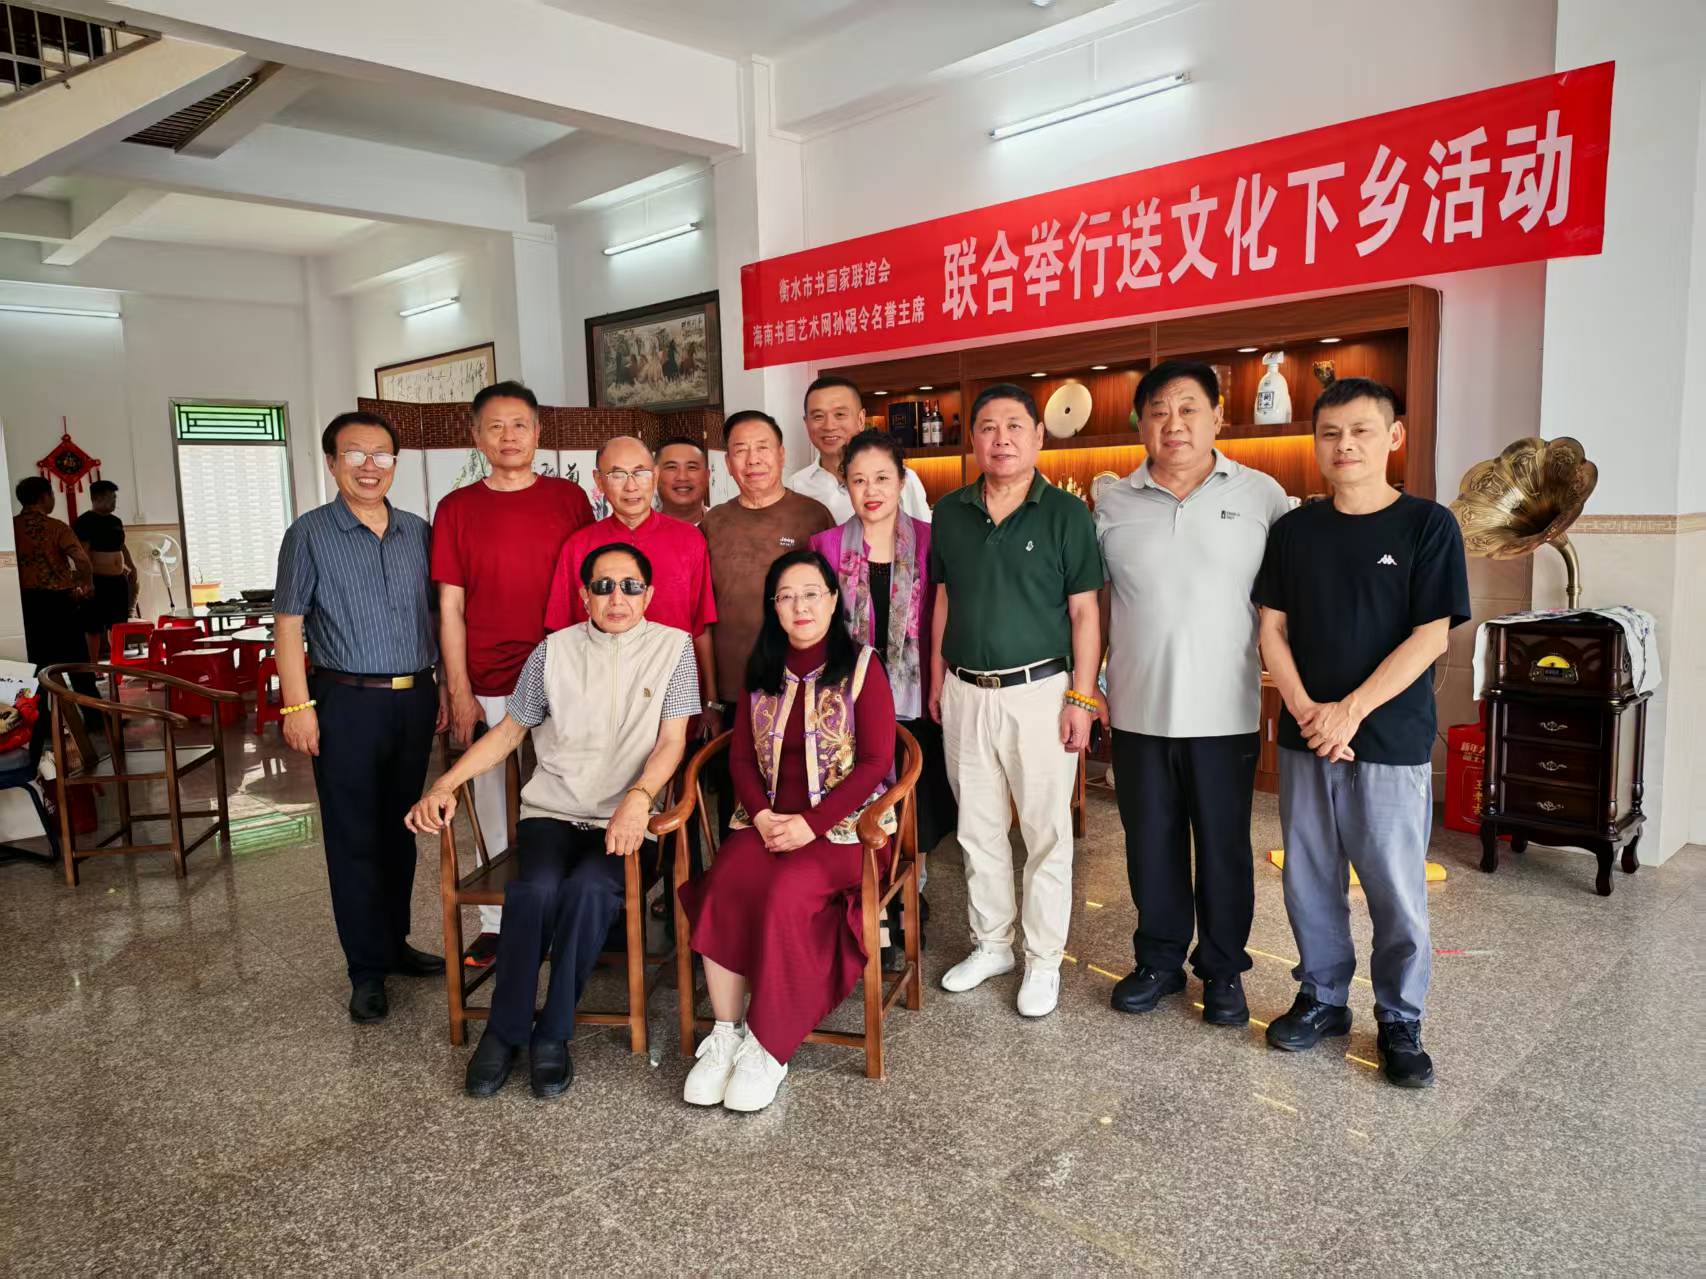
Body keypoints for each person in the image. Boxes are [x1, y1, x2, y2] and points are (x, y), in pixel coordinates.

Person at [407, 543, 696, 1099]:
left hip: (626, 819)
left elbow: (672, 741)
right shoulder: (553, 651)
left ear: (649, 595)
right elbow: (509, 733)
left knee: (589, 889)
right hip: (553, 814)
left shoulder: (674, 648)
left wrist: (640, 798)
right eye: (604, 586)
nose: (617, 597)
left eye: (631, 586)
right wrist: (445, 783)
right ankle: (504, 1030)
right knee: (534, 889)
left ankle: (553, 1033)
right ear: (584, 595)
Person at [1255, 377, 1469, 1089]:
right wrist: (1307, 710)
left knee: (1395, 888)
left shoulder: (1428, 526)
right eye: (1330, 433)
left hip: (1390, 739)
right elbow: (1272, 629)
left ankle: (1400, 1017)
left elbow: (1430, 635)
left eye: (1360, 431)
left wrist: (1349, 711)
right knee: (1309, 878)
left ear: (1393, 437)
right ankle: (1322, 996)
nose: (1343, 445)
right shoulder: (1294, 531)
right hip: (1306, 737)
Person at [1095, 361, 1293, 1029]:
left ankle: (1224, 968)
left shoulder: (1264, 496)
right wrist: (1087, 690)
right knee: (1149, 844)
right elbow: (1098, 605)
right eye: (1157, 411)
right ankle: (1158, 961)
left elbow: (1283, 603)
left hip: (1226, 711)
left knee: (1224, 846)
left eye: (1187, 409)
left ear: (1218, 417)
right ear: (1141, 424)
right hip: (1137, 709)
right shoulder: (1111, 502)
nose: (1172, 423)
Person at [677, 548, 896, 1113]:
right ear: (773, 607)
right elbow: (741, 759)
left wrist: (812, 825)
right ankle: (725, 1033)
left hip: (846, 829)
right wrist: (763, 815)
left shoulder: (863, 667)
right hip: (770, 821)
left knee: (785, 891)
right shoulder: (762, 669)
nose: (800, 606)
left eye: (811, 594)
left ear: (833, 600)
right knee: (724, 882)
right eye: (787, 596)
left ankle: (768, 1044)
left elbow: (876, 762)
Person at [928, 383, 1102, 1019]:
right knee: (976, 829)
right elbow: (943, 599)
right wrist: (937, 677)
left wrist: (1082, 697)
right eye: (988, 427)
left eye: (1014, 426)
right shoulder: (950, 512)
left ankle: (1044, 960)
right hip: (964, 690)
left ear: (1038, 435)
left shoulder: (1066, 514)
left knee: (1046, 831)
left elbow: (1085, 613)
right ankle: (992, 944)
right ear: (972, 439)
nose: (1001, 439)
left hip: (1041, 691)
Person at [274, 411, 446, 1024]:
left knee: (402, 828)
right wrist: (298, 706)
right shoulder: (309, 534)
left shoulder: (418, 531)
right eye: (355, 454)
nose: (369, 466)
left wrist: (443, 685)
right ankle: (366, 970)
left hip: (414, 697)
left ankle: (395, 944)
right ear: (332, 463)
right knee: (353, 836)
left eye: (381, 455)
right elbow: (288, 623)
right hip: (345, 701)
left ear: (395, 463)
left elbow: (437, 615)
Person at [432, 380, 593, 969]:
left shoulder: (569, 499)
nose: (508, 436)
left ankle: (574, 912)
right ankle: (499, 925)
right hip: (491, 677)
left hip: (565, 671)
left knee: (572, 795)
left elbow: (589, 588)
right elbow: (450, 606)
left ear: (538, 432)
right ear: (476, 436)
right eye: (495, 426)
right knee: (493, 801)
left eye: (519, 424)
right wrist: (459, 689)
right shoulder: (456, 508)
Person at [811, 430, 954, 963]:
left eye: (882, 478)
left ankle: (907, 899)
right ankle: (873, 911)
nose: (871, 491)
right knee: (860, 804)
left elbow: (945, 617)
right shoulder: (825, 547)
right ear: (844, 484)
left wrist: (938, 680)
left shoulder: (931, 540)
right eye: (858, 480)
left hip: (916, 697)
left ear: (902, 480)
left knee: (916, 809)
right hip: (849, 705)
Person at [543, 435, 716, 727]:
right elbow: (562, 636)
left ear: (655, 476)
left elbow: (700, 627)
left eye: (640, 472)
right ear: (598, 481)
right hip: (600, 699)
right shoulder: (578, 546)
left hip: (674, 695)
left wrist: (711, 701)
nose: (631, 486)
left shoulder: (690, 540)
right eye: (617, 475)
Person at [700, 411, 834, 748]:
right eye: (740, 450)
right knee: (734, 776)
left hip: (800, 685)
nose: (753, 459)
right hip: (732, 691)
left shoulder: (813, 516)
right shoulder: (714, 523)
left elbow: (833, 603)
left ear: (781, 454)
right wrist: (712, 699)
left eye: (762, 447)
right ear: (727, 463)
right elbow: (704, 616)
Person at [12, 477, 100, 725]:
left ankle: (39, 722)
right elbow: (81, 560)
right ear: (44, 497)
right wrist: (87, 585)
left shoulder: (11, 528)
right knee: (77, 663)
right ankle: (94, 717)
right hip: (61, 603)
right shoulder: (56, 527)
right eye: (51, 495)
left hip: (26, 604)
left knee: (35, 665)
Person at [787, 375, 931, 524]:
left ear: (861, 419)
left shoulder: (900, 478)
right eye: (818, 416)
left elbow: (925, 534)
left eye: (840, 414)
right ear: (806, 423)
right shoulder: (796, 486)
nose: (829, 426)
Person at [74, 479, 138, 659]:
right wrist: (87, 581)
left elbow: (122, 546)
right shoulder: (84, 521)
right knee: (93, 627)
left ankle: (117, 663)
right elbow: (83, 553)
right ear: (97, 498)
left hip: (117, 580)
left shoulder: (115, 521)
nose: (114, 502)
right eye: (111, 498)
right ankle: (94, 667)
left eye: (115, 498)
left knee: (117, 625)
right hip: (96, 581)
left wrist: (132, 566)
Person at [656, 436, 711, 525]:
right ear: (655, 476)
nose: (682, 477)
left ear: (707, 476)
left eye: (692, 467)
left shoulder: (727, 526)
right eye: (672, 467)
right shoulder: (638, 530)